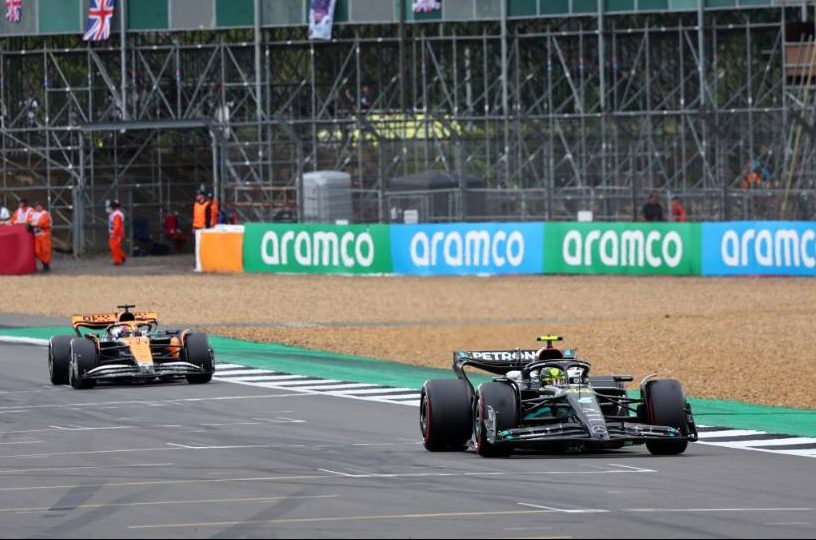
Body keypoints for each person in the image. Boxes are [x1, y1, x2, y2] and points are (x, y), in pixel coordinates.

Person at [28, 201, 52, 272]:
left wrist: (31, 224)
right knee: (37, 251)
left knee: (45, 251)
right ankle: (44, 262)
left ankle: (46, 265)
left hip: (44, 235)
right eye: (35, 206)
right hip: (36, 235)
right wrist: (31, 223)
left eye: (38, 206)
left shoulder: (45, 214)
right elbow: (29, 220)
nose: (37, 207)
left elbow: (41, 223)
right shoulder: (33, 213)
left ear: (41, 206)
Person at [108, 200, 127, 266]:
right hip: (116, 233)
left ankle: (117, 260)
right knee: (115, 246)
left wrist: (113, 234)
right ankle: (122, 256)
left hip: (117, 233)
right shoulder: (115, 213)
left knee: (114, 247)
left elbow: (117, 226)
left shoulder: (117, 214)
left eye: (111, 207)